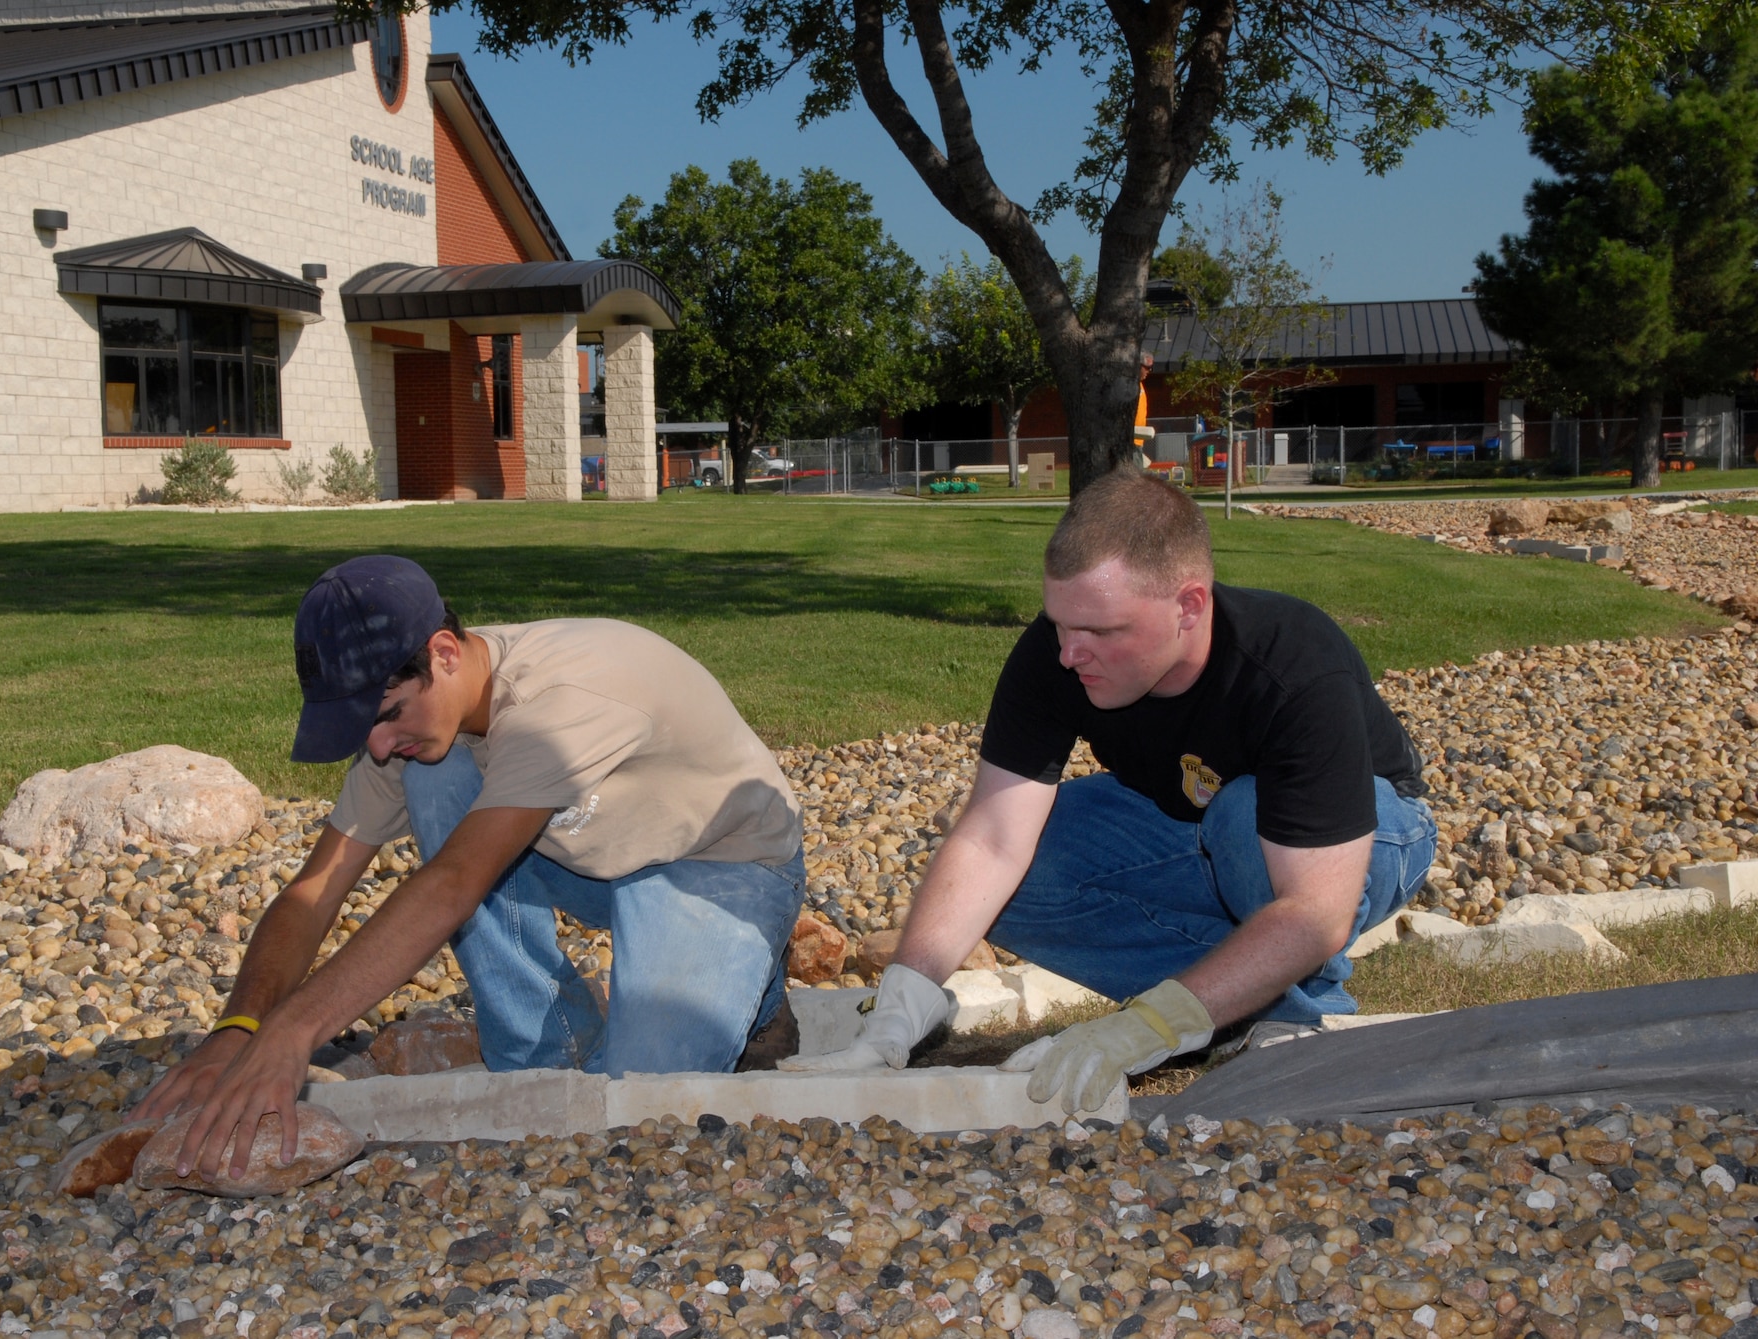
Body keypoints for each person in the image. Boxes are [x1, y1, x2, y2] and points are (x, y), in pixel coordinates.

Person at [784, 470, 1436, 1116]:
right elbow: (990, 840)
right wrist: (900, 1007)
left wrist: (1148, 1026)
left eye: (1101, 631)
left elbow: (1316, 910)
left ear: (1189, 606)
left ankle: (1295, 1022)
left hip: (1370, 834)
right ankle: (1232, 1001)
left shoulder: (1293, 666)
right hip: (1199, 827)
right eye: (1061, 624)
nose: (1070, 653)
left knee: (1243, 815)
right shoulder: (1057, 652)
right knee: (1008, 882)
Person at [137, 555, 806, 1177]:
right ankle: (545, 1048)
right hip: (596, 850)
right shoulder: (415, 726)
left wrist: (294, 1029)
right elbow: (312, 892)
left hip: (721, 862)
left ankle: (758, 992)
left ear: (444, 653)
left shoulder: (560, 702)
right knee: (433, 774)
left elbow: (454, 883)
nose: (375, 745)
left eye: (388, 714)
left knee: (638, 1109)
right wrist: (242, 1026)